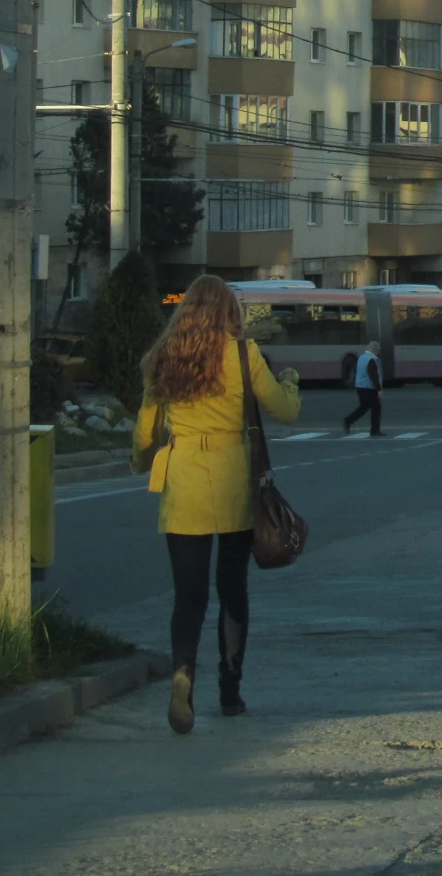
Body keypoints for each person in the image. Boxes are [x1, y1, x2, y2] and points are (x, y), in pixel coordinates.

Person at [132, 274, 301, 735]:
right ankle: (230, 689)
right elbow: (285, 411)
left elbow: (146, 432)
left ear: (185, 310)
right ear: (229, 312)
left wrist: (140, 461)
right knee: (232, 588)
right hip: (233, 481)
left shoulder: (164, 357)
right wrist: (290, 381)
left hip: (183, 478)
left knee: (188, 596)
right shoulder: (243, 354)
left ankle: (183, 673)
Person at [343, 340, 385, 436]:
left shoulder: (362, 357)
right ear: (374, 350)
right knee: (376, 408)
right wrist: (379, 389)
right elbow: (373, 376)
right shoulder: (372, 360)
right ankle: (375, 430)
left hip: (360, 386)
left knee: (364, 407)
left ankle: (348, 420)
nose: (378, 351)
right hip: (369, 387)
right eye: (378, 349)